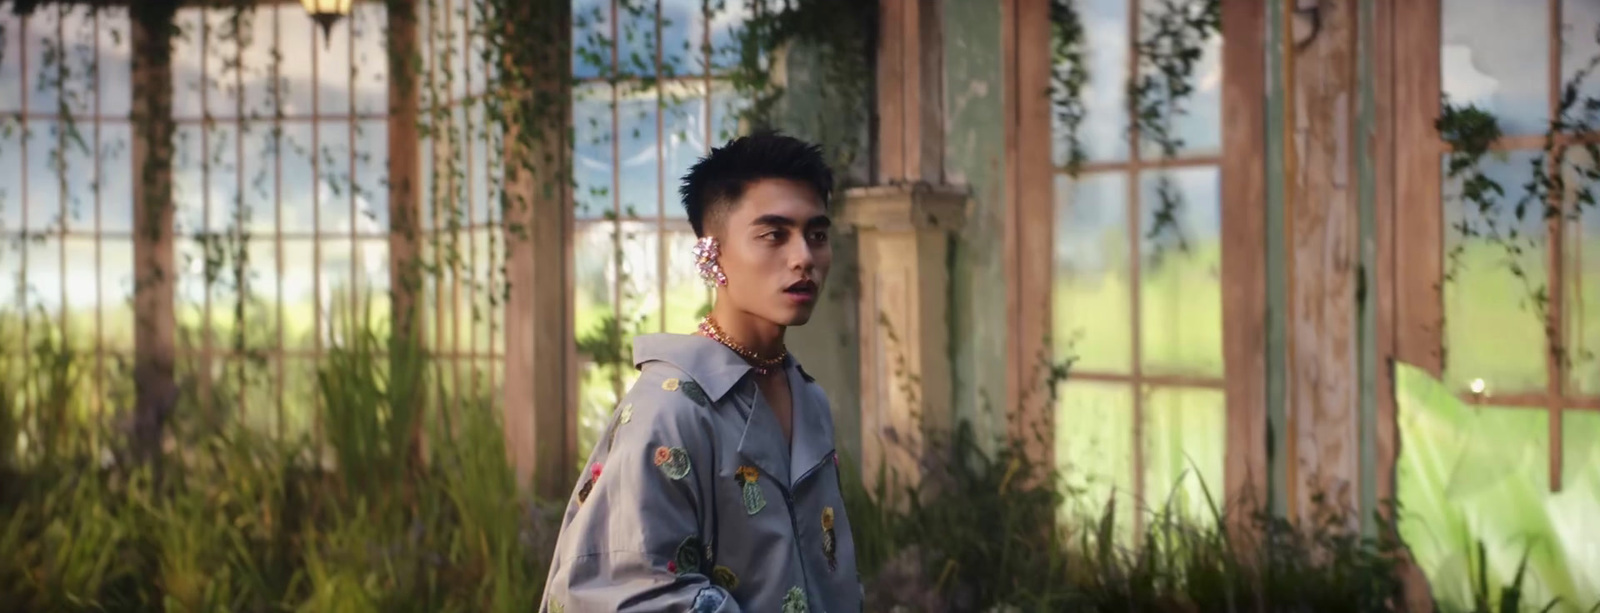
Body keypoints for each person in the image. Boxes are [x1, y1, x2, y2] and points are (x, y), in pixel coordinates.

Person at [539, 131, 862, 613]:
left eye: (816, 234)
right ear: (710, 255)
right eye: (774, 234)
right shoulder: (668, 408)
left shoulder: (808, 399)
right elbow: (627, 590)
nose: (804, 258)